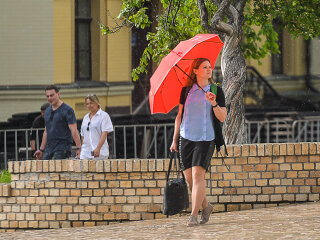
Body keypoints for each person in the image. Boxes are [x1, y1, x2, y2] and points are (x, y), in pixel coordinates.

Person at [170, 58, 227, 227]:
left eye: (210, 67)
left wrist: (213, 103)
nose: (209, 69)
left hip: (206, 138)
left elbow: (223, 117)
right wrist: (174, 140)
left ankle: (193, 215)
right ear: (195, 71)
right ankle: (206, 206)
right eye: (205, 67)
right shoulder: (186, 90)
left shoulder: (216, 90)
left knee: (197, 176)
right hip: (186, 137)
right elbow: (179, 116)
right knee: (190, 180)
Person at [34, 85, 82, 160]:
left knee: (55, 170)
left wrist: (79, 148)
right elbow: (46, 131)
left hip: (62, 148)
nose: (49, 98)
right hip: (49, 148)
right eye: (47, 96)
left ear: (58, 94)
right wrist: (41, 150)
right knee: (43, 169)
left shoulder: (67, 110)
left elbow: (74, 130)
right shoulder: (47, 111)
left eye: (52, 95)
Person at [80, 94, 113, 159]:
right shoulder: (85, 117)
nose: (89, 105)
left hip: (99, 152)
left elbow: (104, 134)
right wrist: (82, 150)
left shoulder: (104, 116)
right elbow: (83, 135)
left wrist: (98, 149)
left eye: (91, 103)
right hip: (85, 152)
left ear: (97, 103)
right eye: (87, 104)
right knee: (82, 168)